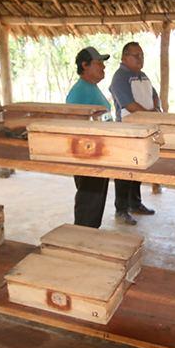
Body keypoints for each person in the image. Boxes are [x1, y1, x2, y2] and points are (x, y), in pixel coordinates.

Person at [109, 42, 159, 225]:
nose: (140, 58)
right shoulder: (120, 78)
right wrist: (152, 115)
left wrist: (156, 108)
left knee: (137, 169)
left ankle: (135, 204)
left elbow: (154, 95)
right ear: (124, 58)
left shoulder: (143, 76)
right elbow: (128, 105)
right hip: (126, 130)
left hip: (143, 129)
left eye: (142, 55)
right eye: (136, 55)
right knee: (124, 172)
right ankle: (121, 210)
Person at [66, 47, 112, 228]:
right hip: (87, 155)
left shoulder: (91, 88)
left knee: (95, 201)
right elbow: (73, 122)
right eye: (98, 62)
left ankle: (89, 236)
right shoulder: (79, 91)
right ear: (85, 65)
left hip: (98, 153)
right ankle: (82, 239)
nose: (103, 67)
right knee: (89, 201)